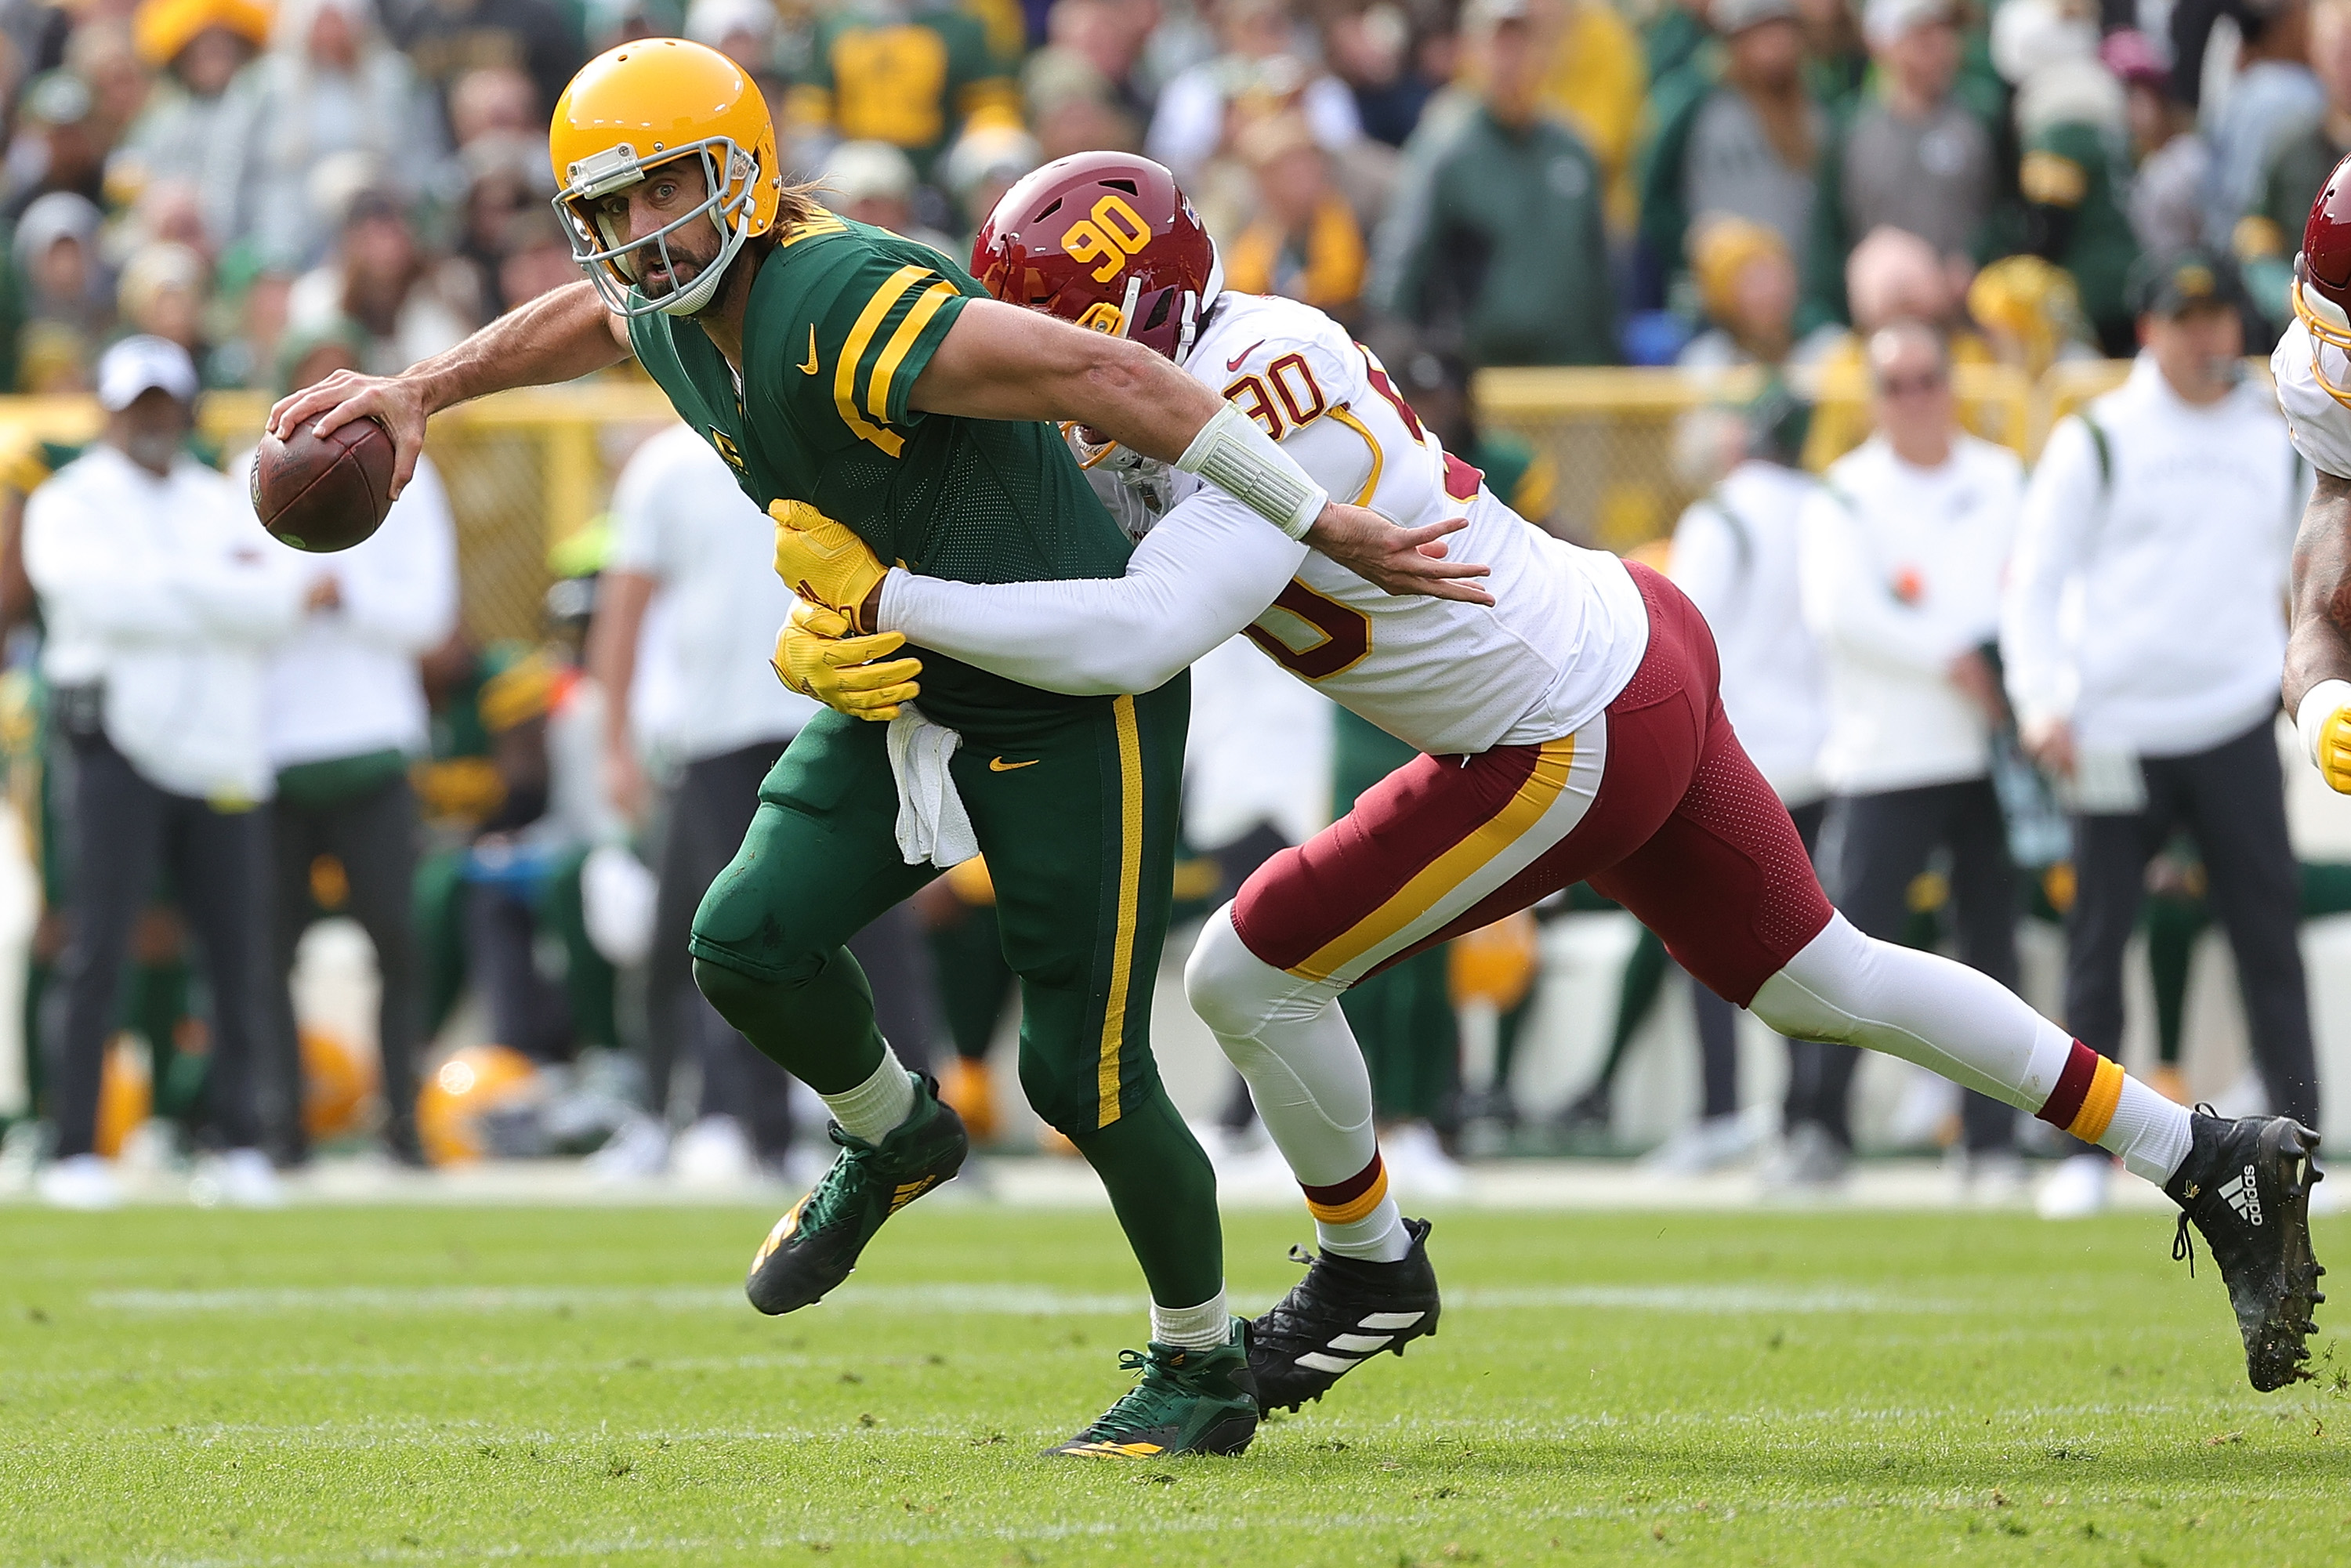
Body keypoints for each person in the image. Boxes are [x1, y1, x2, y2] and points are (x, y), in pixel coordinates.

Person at [781, 149, 2330, 1406]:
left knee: (1249, 968)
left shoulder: (1251, 392)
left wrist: (890, 601)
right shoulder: (1202, 364)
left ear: (1148, 309)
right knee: (1824, 976)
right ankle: (2204, 1154)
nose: (1051, 377)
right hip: (1615, 645)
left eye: (1071, 336)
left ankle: (1370, 1264)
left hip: (1561, 722)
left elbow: (1139, 630)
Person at [266, 40, 1465, 1458]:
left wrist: (1310, 516)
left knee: (1081, 1075)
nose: (643, 238)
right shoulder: (670, 302)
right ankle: (893, 1130)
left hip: (1072, 691)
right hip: (912, 675)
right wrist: (423, 386)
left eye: (669, 194)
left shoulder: (833, 296)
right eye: (614, 209)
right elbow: (592, 322)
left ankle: (1203, 1365)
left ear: (747, 179)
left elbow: (1096, 367)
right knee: (744, 938)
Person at [2012, 249, 2316, 1217]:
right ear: (2147, 328)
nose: (2206, 335)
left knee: (2269, 932)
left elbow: (2296, 577)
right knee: (2099, 938)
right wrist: (2042, 701)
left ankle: (2303, 1153)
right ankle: (2078, 1159)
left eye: (2220, 316)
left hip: (2230, 717)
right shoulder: (2096, 436)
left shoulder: (2272, 438)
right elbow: (2037, 581)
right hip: (2116, 725)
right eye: (2185, 317)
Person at [28, 336, 306, 1210]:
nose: (151, 421)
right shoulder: (70, 500)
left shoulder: (222, 496)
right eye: (136, 404)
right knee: (97, 949)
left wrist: (163, 589)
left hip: (220, 752)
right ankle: (74, 1144)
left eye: (163, 404)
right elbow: (85, 596)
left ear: (183, 409)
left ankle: (239, 1138)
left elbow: (275, 605)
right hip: (114, 743)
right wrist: (208, 590)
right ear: (110, 412)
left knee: (236, 957)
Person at [1788, 320, 2027, 1193]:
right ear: (1874, 399)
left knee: (1992, 951)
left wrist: (2002, 669)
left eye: (1929, 379)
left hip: (1985, 751)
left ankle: (1995, 1141)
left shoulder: (2001, 478)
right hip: (1884, 755)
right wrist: (1952, 657)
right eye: (1897, 384)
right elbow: (1840, 613)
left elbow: (2029, 588)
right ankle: (1816, 1127)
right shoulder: (1844, 494)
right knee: (1847, 953)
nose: (1916, 398)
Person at [585, 422, 821, 1180]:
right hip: (711, 734)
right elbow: (623, 610)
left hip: (822, 714)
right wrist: (613, 743)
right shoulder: (666, 466)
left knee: (858, 933)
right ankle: (729, 1122)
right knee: (711, 935)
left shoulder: (810, 430)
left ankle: (901, 1113)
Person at [252, 325, 458, 1168]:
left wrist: (346, 593)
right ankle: (276, 1128)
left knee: (397, 942)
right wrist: (303, 590)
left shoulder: (411, 472)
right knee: (266, 950)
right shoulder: (256, 471)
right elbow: (233, 606)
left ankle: (402, 1122)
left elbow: (430, 617)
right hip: (275, 749)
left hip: (375, 743)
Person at [1371, 0, 1617, 367]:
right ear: (1472, 53)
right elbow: (1403, 258)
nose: (1511, 60)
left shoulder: (1573, 149)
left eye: (1523, 45)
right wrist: (1392, 356)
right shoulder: (1446, 146)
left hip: (1570, 371)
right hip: (1477, 370)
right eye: (1498, 45)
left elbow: (1600, 267)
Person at [1801, 0, 1998, 333]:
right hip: (1882, 323)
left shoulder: (1981, 117)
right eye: (1920, 35)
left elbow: (2004, 211)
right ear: (1883, 44)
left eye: (1944, 32)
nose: (1936, 45)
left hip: (1971, 319)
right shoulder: (1851, 131)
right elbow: (1830, 233)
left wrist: (1975, 260)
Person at [1639, 0, 1826, 303]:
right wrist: (1691, 259)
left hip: (1802, 292)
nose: (1776, 42)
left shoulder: (1817, 111)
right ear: (1735, 39)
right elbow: (1655, 197)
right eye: (1761, 31)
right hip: (1718, 296)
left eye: (1783, 28)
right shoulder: (1696, 105)